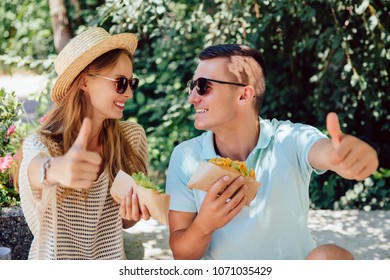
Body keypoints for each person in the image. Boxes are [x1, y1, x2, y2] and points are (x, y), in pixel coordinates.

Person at [165, 44, 379, 260]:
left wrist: (345, 158)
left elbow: (325, 152)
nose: (192, 98)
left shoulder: (289, 139)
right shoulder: (185, 156)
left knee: (331, 257)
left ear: (244, 95)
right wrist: (204, 224)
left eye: (203, 86)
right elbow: (183, 256)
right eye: (192, 86)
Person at [17, 27, 151, 259]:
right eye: (120, 83)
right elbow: (34, 166)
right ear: (85, 81)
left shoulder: (131, 138)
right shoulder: (44, 144)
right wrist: (55, 169)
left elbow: (124, 222)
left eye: (132, 83)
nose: (129, 93)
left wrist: (134, 211)